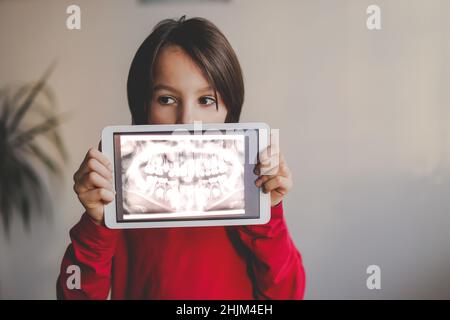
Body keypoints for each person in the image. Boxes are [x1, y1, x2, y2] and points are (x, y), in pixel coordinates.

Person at [57, 16, 305, 299]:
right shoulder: (118, 195)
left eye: (206, 100)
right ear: (144, 107)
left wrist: (268, 215)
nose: (187, 120)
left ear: (229, 110)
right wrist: (97, 224)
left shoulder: (251, 193)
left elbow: (287, 294)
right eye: (166, 99)